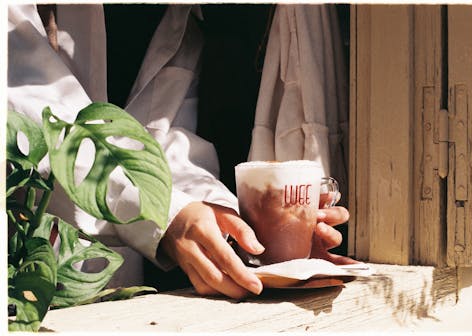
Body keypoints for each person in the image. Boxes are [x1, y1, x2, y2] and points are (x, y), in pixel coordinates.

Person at [7, 3, 353, 300]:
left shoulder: (183, 18)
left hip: (119, 295)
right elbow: (39, 116)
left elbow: (165, 144)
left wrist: (238, 230)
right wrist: (168, 214)